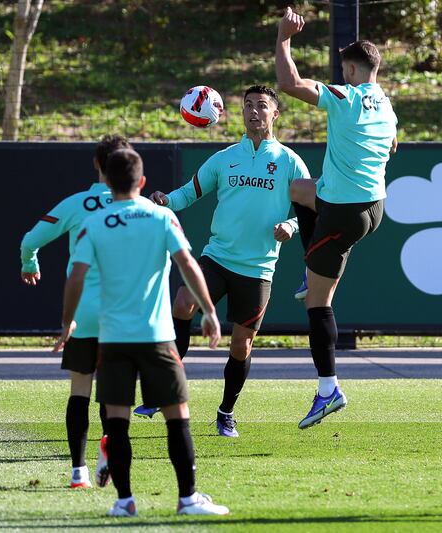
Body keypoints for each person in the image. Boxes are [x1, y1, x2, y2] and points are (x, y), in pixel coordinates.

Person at [60, 148, 229, 517]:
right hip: (156, 337)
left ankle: (124, 501)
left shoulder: (96, 222)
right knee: (177, 415)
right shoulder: (161, 217)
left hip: (113, 339)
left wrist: (66, 321)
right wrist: (209, 311)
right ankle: (187, 499)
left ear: (107, 179)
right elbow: (187, 263)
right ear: (142, 182)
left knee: (117, 419)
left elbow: (76, 275)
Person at [139, 85, 311, 437]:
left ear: (274, 114)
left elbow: (307, 208)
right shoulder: (225, 157)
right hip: (217, 257)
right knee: (183, 304)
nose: (253, 111)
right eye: (248, 105)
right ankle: (161, 390)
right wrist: (164, 200)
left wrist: (291, 226)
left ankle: (225, 412)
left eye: (261, 106)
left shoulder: (289, 161)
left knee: (241, 345)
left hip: (258, 267)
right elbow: (189, 192)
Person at [275, 7, 398, 429]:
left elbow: (288, 83)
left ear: (350, 68)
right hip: (371, 205)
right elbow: (393, 145)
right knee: (298, 190)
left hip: (343, 212)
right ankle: (311, 269)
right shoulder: (387, 106)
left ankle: (329, 389)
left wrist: (283, 38)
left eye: (344, 66)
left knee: (318, 303)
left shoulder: (345, 96)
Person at [20, 134, 131, 489]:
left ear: (97, 165)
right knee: (113, 394)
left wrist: (29, 263)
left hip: (82, 312)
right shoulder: (139, 208)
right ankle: (108, 452)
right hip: (122, 313)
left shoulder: (78, 203)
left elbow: (29, 240)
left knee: (80, 390)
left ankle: (78, 471)